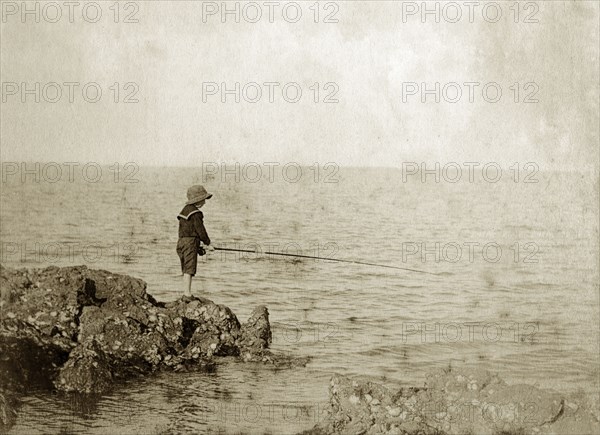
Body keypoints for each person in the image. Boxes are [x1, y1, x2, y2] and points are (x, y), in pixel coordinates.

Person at [176, 185, 214, 297]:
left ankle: (185, 292)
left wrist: (198, 246)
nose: (204, 203)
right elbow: (200, 230)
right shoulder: (196, 213)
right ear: (198, 200)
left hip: (181, 242)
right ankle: (187, 294)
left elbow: (187, 231)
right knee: (190, 269)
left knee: (186, 268)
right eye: (203, 200)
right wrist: (208, 243)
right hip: (190, 243)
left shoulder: (184, 211)